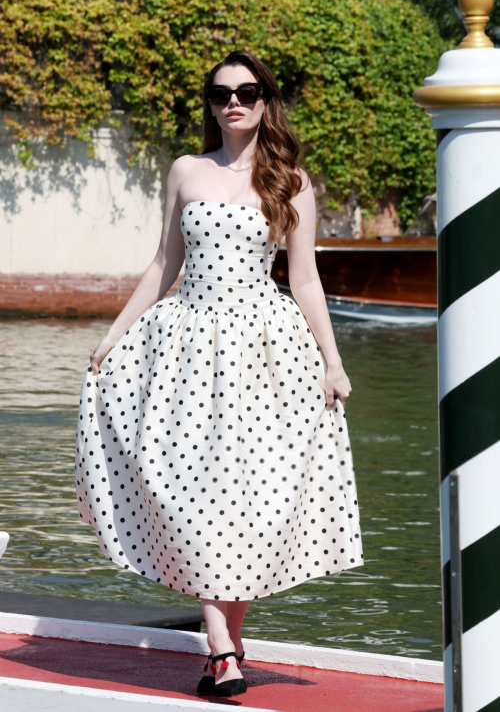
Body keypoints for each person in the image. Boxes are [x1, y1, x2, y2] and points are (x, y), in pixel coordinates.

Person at [75, 49, 364, 698]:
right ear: (209, 105)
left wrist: (333, 361)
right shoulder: (185, 171)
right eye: (220, 93)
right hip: (188, 350)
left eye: (247, 90)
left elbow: (306, 279)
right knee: (195, 493)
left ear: (266, 99)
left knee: (251, 504)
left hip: (266, 352)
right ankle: (223, 649)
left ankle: (222, 656)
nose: (233, 101)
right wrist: (112, 336)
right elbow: (161, 265)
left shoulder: (291, 181)